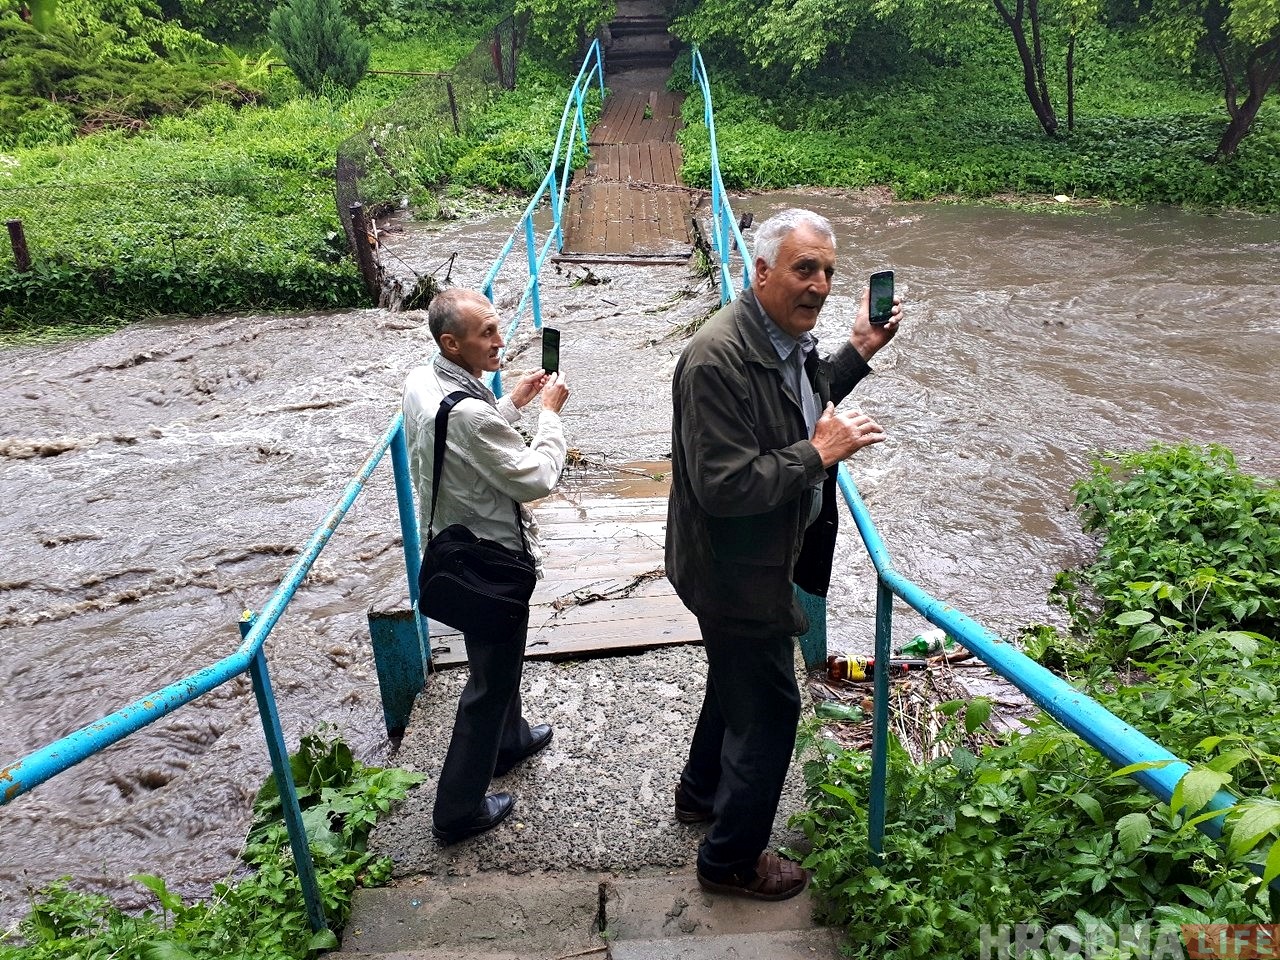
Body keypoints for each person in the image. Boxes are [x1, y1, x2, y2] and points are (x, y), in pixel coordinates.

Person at [665, 208, 903, 900]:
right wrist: (818, 455)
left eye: (828, 271)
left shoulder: (781, 340)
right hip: (735, 570)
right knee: (770, 710)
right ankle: (730, 862)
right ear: (762, 270)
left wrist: (858, 349)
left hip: (755, 560)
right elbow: (723, 486)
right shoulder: (717, 358)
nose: (820, 285)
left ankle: (700, 793)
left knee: (734, 680)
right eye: (805, 269)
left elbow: (801, 400)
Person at [402, 287, 571, 844]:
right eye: (488, 333)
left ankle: (510, 740)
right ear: (452, 344)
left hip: (452, 541)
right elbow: (536, 478)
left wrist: (512, 403)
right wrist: (548, 417)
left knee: (493, 657)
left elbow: (461, 433)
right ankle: (457, 810)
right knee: (489, 681)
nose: (501, 341)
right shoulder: (472, 413)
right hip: (492, 557)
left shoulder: (422, 381)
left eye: (498, 327)